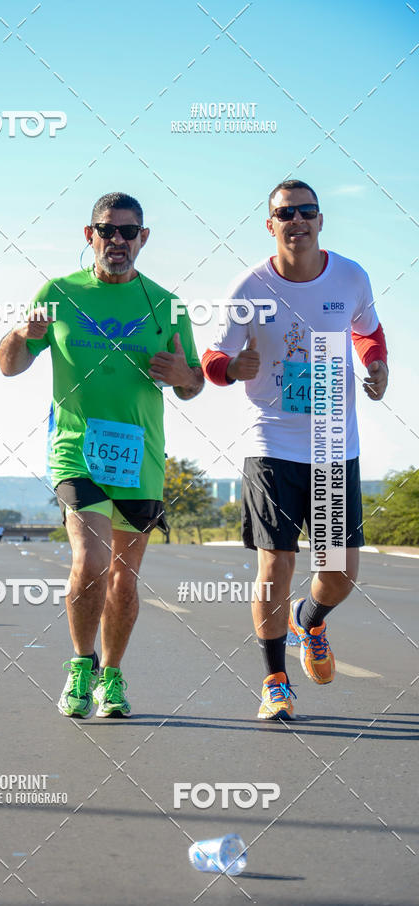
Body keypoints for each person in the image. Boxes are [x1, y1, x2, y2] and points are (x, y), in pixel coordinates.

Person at [0, 191, 203, 719]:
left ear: (144, 238)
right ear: (88, 235)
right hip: (77, 451)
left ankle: (112, 677)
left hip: (140, 459)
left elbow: (193, 384)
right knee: (90, 561)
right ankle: (80, 665)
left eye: (128, 231)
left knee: (123, 578)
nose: (117, 240)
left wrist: (184, 378)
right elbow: (10, 365)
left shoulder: (167, 304)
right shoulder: (59, 293)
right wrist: (21, 334)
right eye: (107, 230)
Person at [202, 179, 388, 721]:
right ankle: (275, 679)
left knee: (340, 572)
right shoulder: (249, 288)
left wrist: (376, 366)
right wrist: (233, 368)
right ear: (271, 225)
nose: (297, 221)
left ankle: (310, 621)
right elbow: (214, 358)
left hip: (334, 443)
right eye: (286, 213)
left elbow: (367, 332)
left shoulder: (351, 276)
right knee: (276, 562)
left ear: (321, 220)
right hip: (271, 443)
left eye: (307, 211)